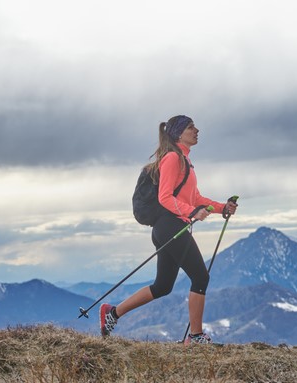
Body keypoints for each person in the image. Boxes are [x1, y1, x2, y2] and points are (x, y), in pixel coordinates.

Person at [99, 115, 237, 344]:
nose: (197, 130)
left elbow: (195, 198)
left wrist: (222, 207)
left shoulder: (185, 160)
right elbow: (165, 198)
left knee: (162, 286)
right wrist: (192, 213)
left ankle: (112, 313)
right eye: (191, 127)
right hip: (170, 226)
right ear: (179, 133)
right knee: (200, 277)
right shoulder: (173, 158)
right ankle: (194, 336)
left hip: (170, 227)